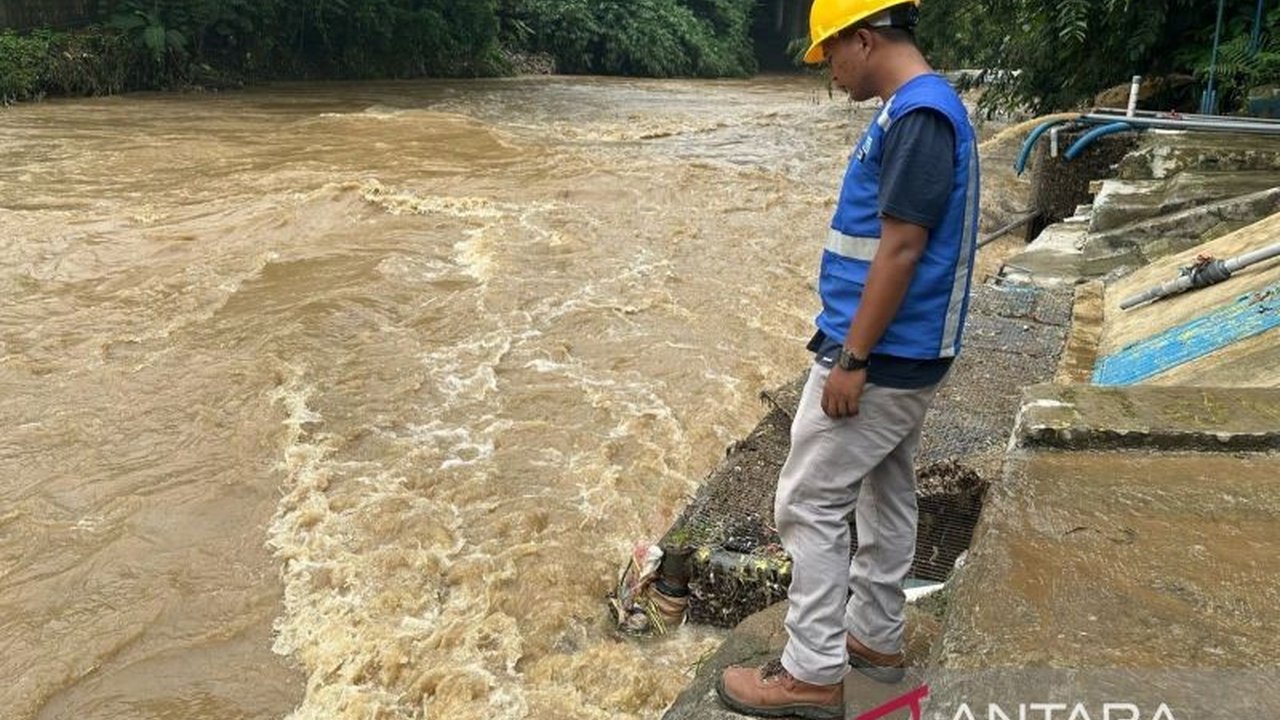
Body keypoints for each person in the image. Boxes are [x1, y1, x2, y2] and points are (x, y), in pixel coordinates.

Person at [716, 0, 980, 717]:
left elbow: (900, 248)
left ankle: (810, 674)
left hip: (883, 354)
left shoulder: (919, 117)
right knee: (884, 487)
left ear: (865, 39)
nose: (829, 71)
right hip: (907, 350)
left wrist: (853, 357)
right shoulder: (919, 108)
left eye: (831, 53)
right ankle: (874, 637)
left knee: (807, 500)